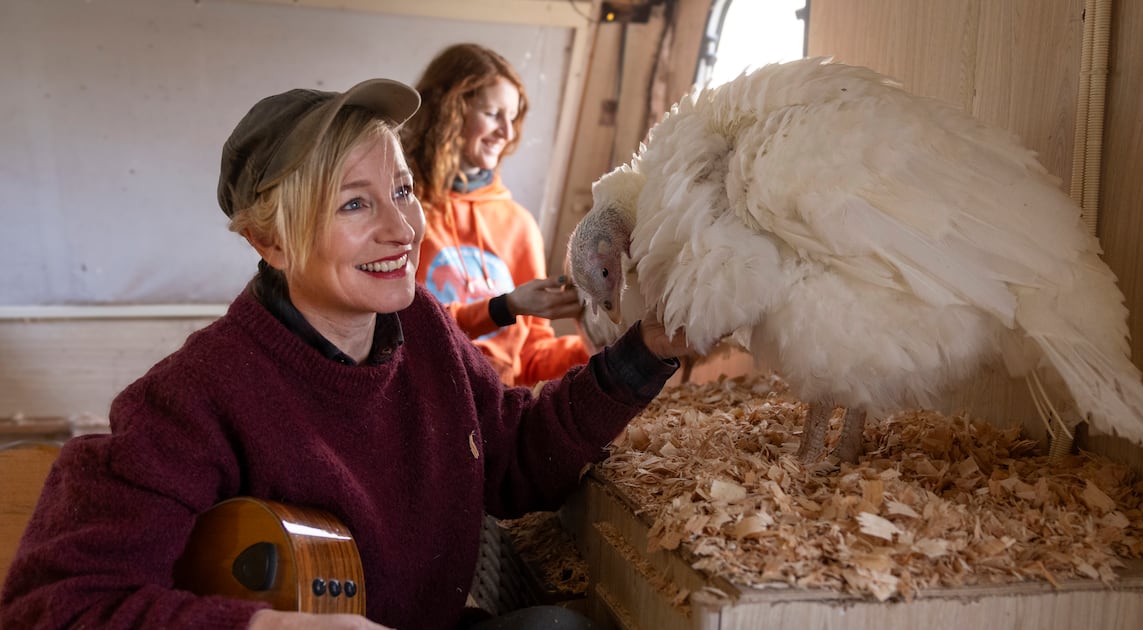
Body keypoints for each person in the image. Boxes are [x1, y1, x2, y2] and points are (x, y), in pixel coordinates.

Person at [0, 77, 689, 629]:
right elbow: (52, 605)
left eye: (399, 190)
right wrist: (270, 626)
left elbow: (515, 460)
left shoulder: (422, 329)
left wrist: (647, 351)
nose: (401, 230)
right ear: (270, 242)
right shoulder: (195, 396)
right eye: (354, 206)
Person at [404, 43, 591, 387]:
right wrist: (503, 307)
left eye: (513, 117)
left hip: (493, 412)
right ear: (448, 110)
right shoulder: (402, 208)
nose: (507, 133)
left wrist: (601, 347)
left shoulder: (519, 226)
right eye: (493, 114)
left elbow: (531, 358)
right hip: (416, 398)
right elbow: (400, 329)